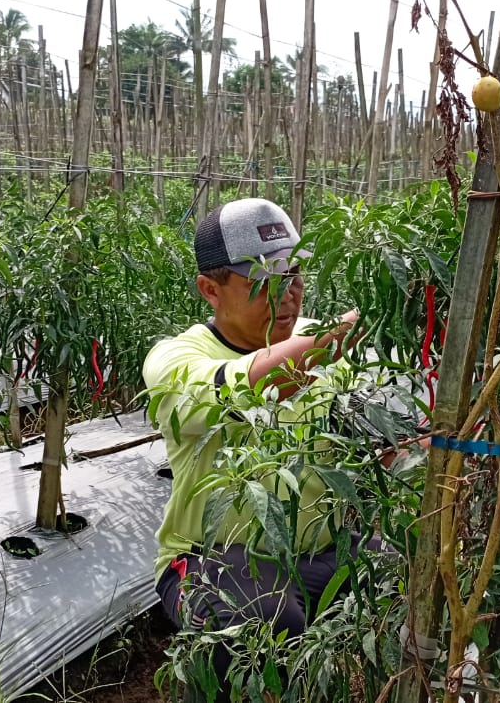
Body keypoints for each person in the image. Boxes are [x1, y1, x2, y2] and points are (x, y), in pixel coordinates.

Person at [142, 197, 383, 692]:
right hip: (212, 557)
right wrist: (339, 337)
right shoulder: (175, 359)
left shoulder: (318, 338)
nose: (289, 297)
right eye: (267, 283)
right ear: (211, 289)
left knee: (408, 573)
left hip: (320, 545)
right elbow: (246, 387)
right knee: (264, 623)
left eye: (294, 276)